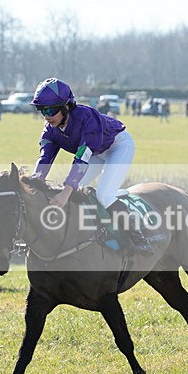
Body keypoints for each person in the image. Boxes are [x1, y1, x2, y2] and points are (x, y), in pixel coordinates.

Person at [29, 77, 152, 255]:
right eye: (42, 111)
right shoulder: (50, 129)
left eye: (51, 110)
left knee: (103, 195)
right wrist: (34, 184)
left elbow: (81, 159)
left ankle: (137, 237)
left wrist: (66, 192)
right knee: (73, 192)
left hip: (118, 146)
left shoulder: (87, 118)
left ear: (66, 106)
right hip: (96, 153)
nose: (47, 116)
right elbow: (45, 158)